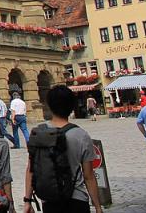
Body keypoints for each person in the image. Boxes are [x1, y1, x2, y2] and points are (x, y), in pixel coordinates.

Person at [22, 85, 103, 213]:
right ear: (71, 107)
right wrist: (98, 207)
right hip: (77, 199)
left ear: (49, 105)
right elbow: (89, 176)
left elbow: (31, 169)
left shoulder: (39, 133)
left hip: (50, 200)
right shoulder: (81, 135)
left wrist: (27, 200)